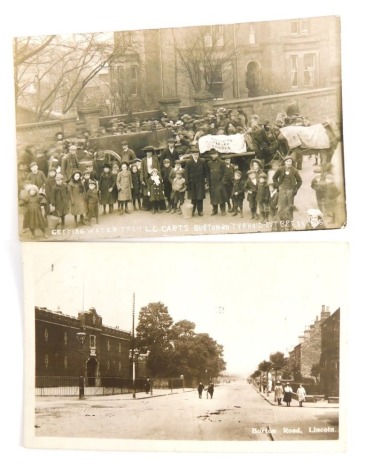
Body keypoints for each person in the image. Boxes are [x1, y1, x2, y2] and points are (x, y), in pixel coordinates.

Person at [272, 156, 302, 221]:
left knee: (290, 206)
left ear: (292, 162)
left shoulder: (294, 171)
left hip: (290, 190)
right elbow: (274, 178)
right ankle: (280, 221)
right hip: (282, 189)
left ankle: (289, 222)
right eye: (287, 161)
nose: (288, 163)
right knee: (281, 206)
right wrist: (278, 186)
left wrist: (295, 188)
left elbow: (299, 181)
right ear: (284, 162)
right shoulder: (280, 169)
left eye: (290, 161)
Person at [184, 144, 207, 216]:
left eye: (197, 154)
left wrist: (206, 180)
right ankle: (192, 211)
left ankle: (200, 210)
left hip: (200, 182)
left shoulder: (202, 161)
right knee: (193, 198)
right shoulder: (189, 162)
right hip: (192, 182)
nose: (196, 155)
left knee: (200, 197)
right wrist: (187, 183)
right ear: (192, 154)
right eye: (194, 154)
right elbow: (186, 173)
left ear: (198, 154)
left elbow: (205, 171)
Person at [206, 149, 228, 216]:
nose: (214, 155)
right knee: (213, 197)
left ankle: (223, 211)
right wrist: (208, 181)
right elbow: (208, 173)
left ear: (217, 154)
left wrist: (223, 181)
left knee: (221, 197)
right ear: (210, 155)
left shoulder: (222, 162)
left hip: (220, 182)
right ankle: (214, 210)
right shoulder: (209, 163)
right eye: (212, 154)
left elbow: (225, 173)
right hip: (212, 183)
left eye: (215, 154)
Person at [140, 146, 160, 210]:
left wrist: (159, 177)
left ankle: (156, 206)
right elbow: (142, 170)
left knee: (154, 190)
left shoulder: (155, 159)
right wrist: (142, 179)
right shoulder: (143, 160)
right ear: (146, 153)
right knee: (146, 191)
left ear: (152, 153)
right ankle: (147, 207)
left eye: (150, 152)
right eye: (147, 152)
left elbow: (158, 168)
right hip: (147, 177)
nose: (149, 153)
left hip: (154, 176)